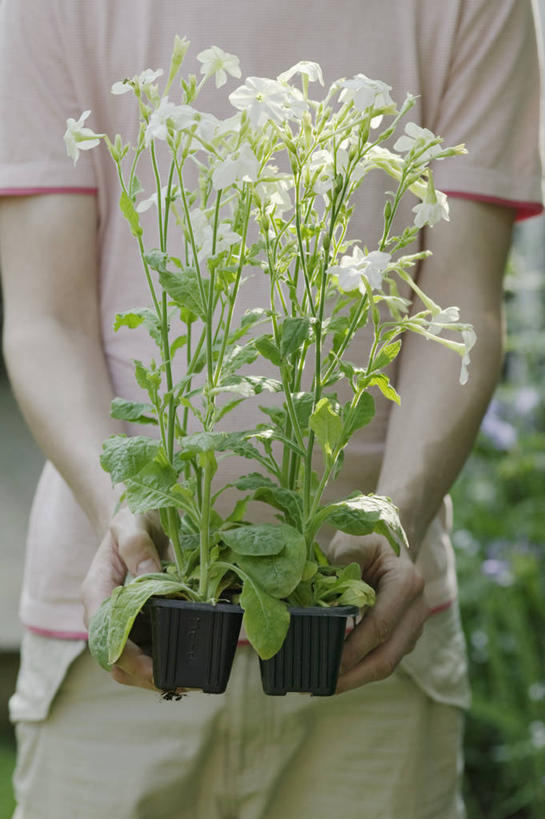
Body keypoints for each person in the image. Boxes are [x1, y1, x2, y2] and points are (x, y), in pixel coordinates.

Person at [0, 0, 542, 816]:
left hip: (372, 646)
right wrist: (125, 513)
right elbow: (46, 320)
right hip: (122, 632)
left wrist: (392, 519)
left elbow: (459, 306)